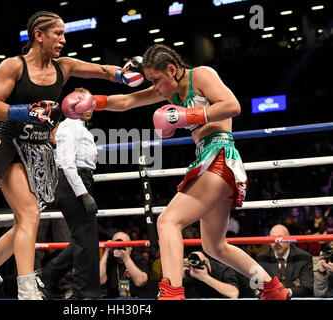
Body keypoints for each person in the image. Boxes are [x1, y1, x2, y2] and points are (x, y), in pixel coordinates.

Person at [63, 43, 291, 300]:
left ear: (172, 70)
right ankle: (273, 290)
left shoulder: (201, 75)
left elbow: (232, 106)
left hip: (220, 155)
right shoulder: (170, 92)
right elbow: (127, 101)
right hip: (210, 159)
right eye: (151, 81)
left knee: (168, 221)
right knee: (215, 246)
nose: (155, 87)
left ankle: (172, 294)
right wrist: (94, 102)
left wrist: (187, 116)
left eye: (156, 80)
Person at [0, 10, 138, 300]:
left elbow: (103, 71)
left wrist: (124, 74)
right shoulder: (13, 66)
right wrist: (26, 110)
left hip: (39, 149)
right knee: (30, 214)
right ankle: (27, 288)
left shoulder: (64, 67)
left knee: (23, 222)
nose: (64, 40)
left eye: (64, 34)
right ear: (39, 35)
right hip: (9, 143)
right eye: (58, 34)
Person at [40, 88, 100, 300]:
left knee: (85, 239)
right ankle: (84, 295)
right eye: (86, 102)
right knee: (86, 241)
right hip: (72, 183)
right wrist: (83, 193)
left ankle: (47, 277)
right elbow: (66, 163)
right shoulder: (71, 126)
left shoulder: (79, 127)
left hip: (77, 181)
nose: (91, 106)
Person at [256, 224, 314, 297]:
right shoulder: (262, 258)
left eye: (280, 237)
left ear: (289, 240)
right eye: (273, 238)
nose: (277, 242)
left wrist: (286, 292)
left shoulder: (304, 257)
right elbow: (257, 287)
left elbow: (308, 287)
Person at [99, 231, 151, 298]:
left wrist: (126, 258)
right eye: (116, 245)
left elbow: (140, 282)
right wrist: (106, 252)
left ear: (130, 247)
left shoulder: (138, 258)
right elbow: (100, 280)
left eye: (123, 245)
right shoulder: (109, 260)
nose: (120, 248)